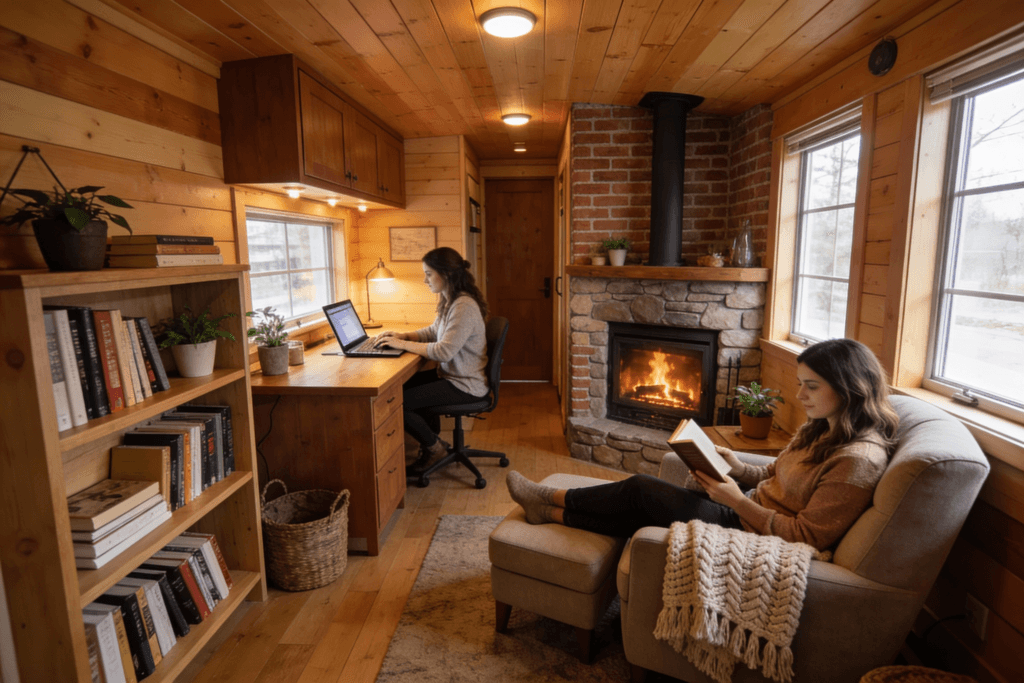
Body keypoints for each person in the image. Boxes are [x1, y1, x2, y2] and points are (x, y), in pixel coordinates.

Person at [506, 338, 900, 551]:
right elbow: (773, 474)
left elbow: (809, 537)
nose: (800, 395)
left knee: (642, 489)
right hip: (746, 507)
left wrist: (736, 501)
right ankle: (549, 512)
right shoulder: (823, 428)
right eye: (800, 383)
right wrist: (735, 467)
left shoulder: (857, 460)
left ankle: (548, 496)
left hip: (750, 531)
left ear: (850, 388)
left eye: (811, 386)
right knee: (639, 508)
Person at [373, 247, 490, 473]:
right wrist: (404, 336)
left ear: (445, 275)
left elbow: (443, 352)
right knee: (400, 388)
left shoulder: (463, 306)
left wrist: (403, 345)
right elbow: (435, 331)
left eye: (428, 273)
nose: (425, 280)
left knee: (398, 402)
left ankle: (434, 449)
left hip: (465, 384)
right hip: (454, 377)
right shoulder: (450, 300)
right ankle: (432, 444)